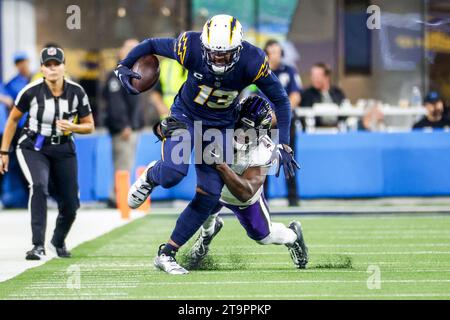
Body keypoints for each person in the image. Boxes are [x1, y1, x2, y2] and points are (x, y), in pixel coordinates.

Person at [115, 14, 298, 274]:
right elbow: (152, 44)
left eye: (225, 54)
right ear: (205, 45)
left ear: (238, 48)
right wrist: (124, 63)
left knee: (209, 194)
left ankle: (167, 254)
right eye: (214, 52)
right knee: (173, 174)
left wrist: (285, 144)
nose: (219, 58)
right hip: (186, 116)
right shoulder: (190, 46)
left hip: (221, 126)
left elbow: (281, 100)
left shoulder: (252, 60)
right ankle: (152, 175)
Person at [189, 96, 308, 270]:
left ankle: (293, 235)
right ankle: (207, 235)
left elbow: (245, 192)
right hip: (216, 185)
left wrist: (221, 166)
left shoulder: (263, 151)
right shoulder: (220, 124)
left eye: (249, 130)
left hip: (241, 197)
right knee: (202, 202)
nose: (241, 133)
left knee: (263, 236)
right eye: (240, 125)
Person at [0, 47, 95, 260]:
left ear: (64, 67)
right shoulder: (31, 91)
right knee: (39, 186)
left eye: (56, 64)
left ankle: (58, 240)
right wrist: (4, 151)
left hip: (63, 147)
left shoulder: (77, 92)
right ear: (42, 69)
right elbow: (13, 120)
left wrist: (73, 127)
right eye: (48, 65)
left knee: (71, 203)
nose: (52, 69)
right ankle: (37, 245)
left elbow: (90, 125)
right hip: (34, 146)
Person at [103, 39, 144, 207]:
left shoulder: (132, 73)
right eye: (130, 50)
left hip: (132, 127)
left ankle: (116, 196)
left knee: (126, 163)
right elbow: (115, 104)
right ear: (121, 53)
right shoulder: (116, 76)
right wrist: (124, 125)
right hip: (124, 129)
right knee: (123, 164)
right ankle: (117, 198)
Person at [264, 39, 302, 206]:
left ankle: (293, 199)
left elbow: (295, 96)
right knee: (260, 160)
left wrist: (279, 115)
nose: (276, 56)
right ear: (266, 54)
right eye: (273, 52)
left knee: (288, 158)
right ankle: (261, 198)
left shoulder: (289, 71)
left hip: (284, 122)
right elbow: (250, 96)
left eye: (278, 52)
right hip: (262, 123)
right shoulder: (259, 73)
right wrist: (265, 116)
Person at [300, 63, 346, 127]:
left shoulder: (337, 93)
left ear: (326, 77)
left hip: (337, 131)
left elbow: (344, 111)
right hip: (315, 131)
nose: (314, 79)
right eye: (312, 76)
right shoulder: (307, 94)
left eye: (317, 76)